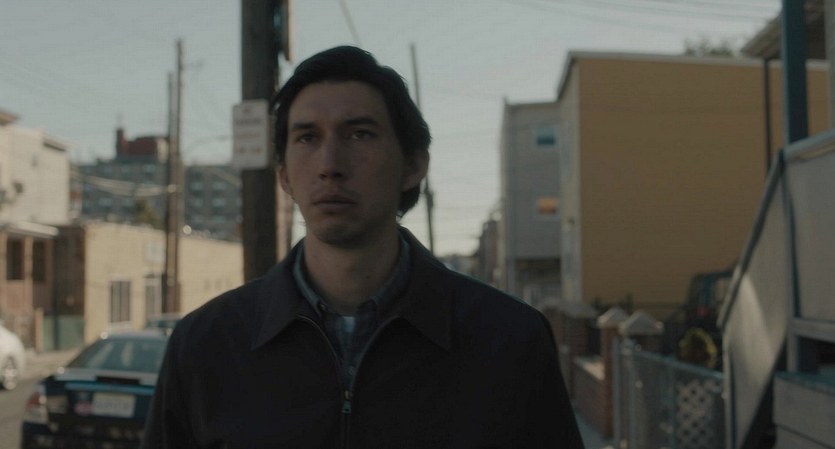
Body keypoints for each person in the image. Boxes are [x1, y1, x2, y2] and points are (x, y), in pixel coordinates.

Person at [142, 46, 584, 449]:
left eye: (359, 135)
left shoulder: (509, 340)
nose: (330, 165)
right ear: (284, 176)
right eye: (307, 138)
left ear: (413, 164)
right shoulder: (205, 345)